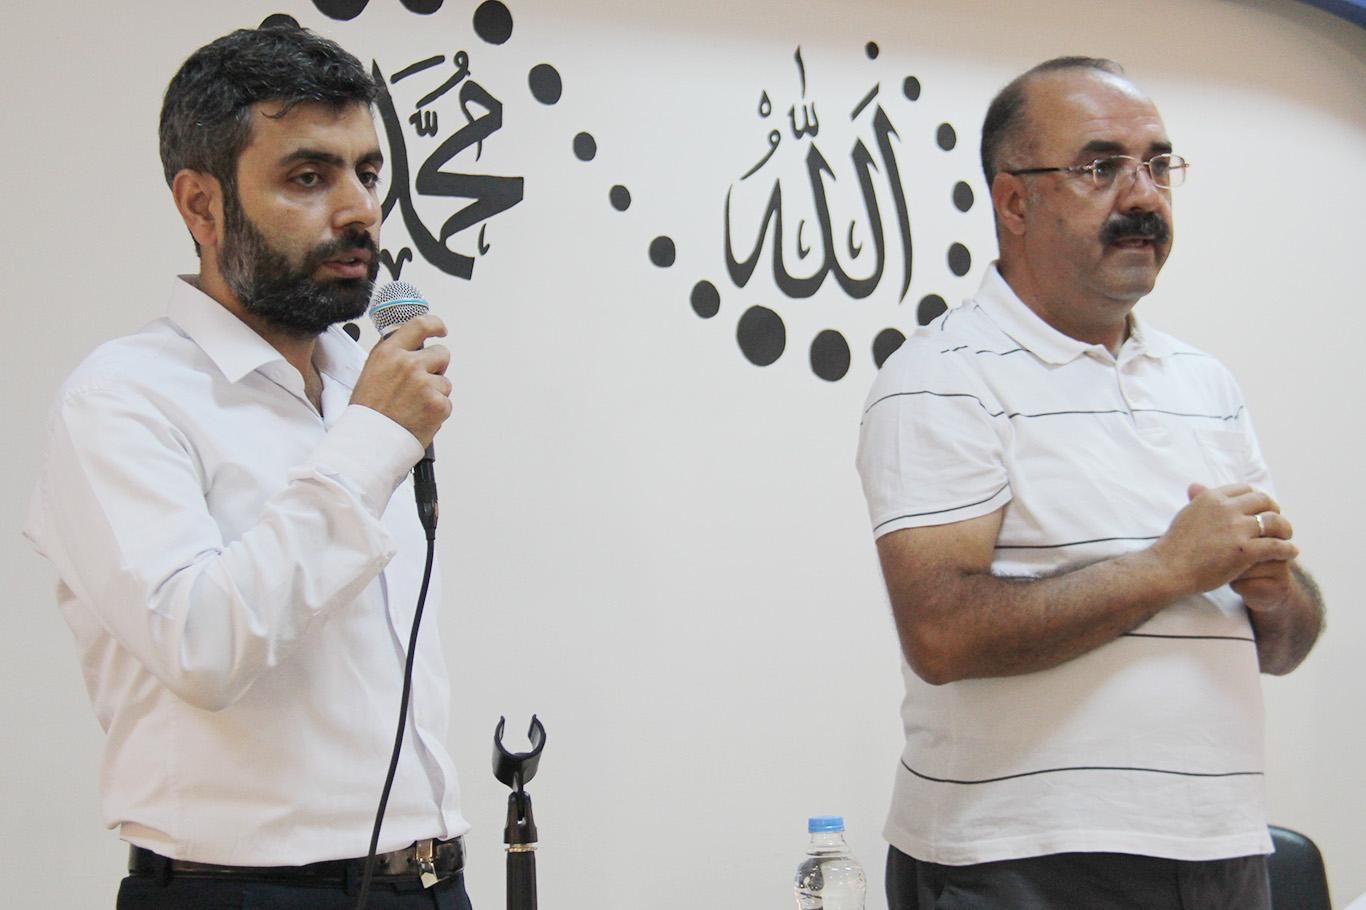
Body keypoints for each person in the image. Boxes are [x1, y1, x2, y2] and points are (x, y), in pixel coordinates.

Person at [856, 57, 1324, 910]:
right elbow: (942, 634)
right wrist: (1168, 569)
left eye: (1158, 164)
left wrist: (1275, 592)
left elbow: (1284, 647)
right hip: (1020, 864)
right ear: (1014, 203)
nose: (1142, 196)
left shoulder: (1205, 384)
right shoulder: (941, 377)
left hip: (1221, 853)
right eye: (1101, 167)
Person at [23, 26, 473, 909]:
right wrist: (371, 443)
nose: (360, 211)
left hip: (426, 880)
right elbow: (199, 646)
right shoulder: (122, 398)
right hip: (243, 893)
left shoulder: (359, 382)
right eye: (308, 177)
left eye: (368, 173)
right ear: (202, 205)